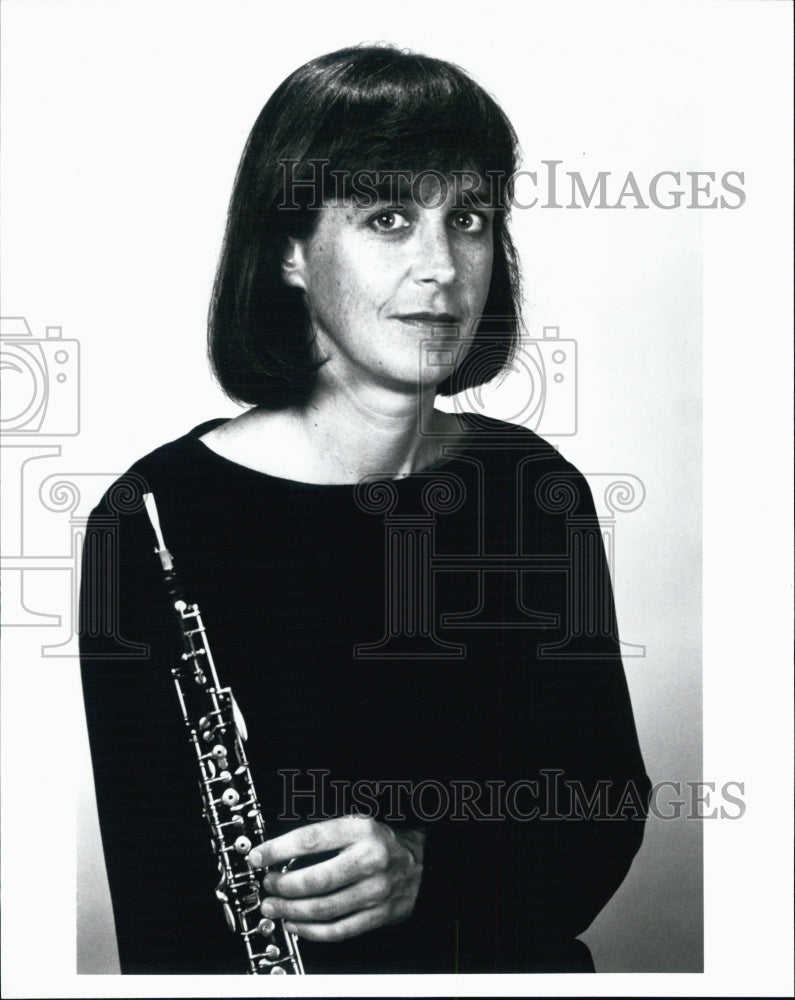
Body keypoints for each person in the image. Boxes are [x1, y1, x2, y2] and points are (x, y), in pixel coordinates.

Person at [80, 44, 651, 975]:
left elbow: (603, 816)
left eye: (467, 218)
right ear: (289, 252)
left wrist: (431, 868)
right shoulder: (152, 519)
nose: (441, 267)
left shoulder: (531, 487)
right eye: (387, 218)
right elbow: (163, 917)